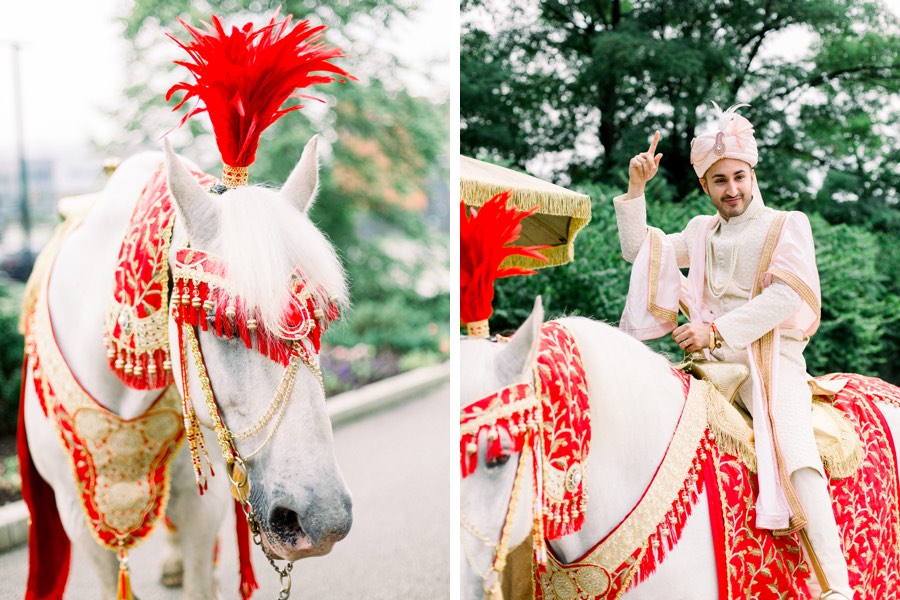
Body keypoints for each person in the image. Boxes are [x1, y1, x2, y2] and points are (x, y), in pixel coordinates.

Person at [612, 102, 852, 599]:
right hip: (709, 364)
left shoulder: (787, 224)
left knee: (795, 449)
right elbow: (640, 252)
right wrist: (637, 190)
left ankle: (837, 587)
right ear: (705, 187)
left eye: (739, 176)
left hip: (771, 360)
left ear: (752, 172)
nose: (732, 189)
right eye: (719, 181)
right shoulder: (701, 232)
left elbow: (789, 295)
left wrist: (715, 331)